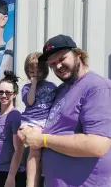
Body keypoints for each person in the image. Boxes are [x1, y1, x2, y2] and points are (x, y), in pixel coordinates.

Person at [18, 34, 111, 187]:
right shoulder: (61, 90)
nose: (58, 67)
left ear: (78, 54)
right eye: (52, 64)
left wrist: (43, 139)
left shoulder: (97, 87)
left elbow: (97, 145)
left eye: (62, 59)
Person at [0, 70, 26, 187]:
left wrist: (11, 177)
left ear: (14, 94)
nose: (3, 95)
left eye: (8, 93)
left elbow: (19, 149)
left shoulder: (15, 116)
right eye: (1, 92)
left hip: (13, 173)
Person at [21, 52, 57, 187]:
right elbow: (30, 102)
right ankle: (31, 183)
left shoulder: (52, 87)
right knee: (34, 150)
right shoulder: (26, 88)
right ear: (27, 71)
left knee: (45, 151)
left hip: (45, 122)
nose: (35, 73)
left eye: (39, 70)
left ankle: (41, 178)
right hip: (31, 121)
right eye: (32, 71)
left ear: (45, 70)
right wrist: (33, 85)